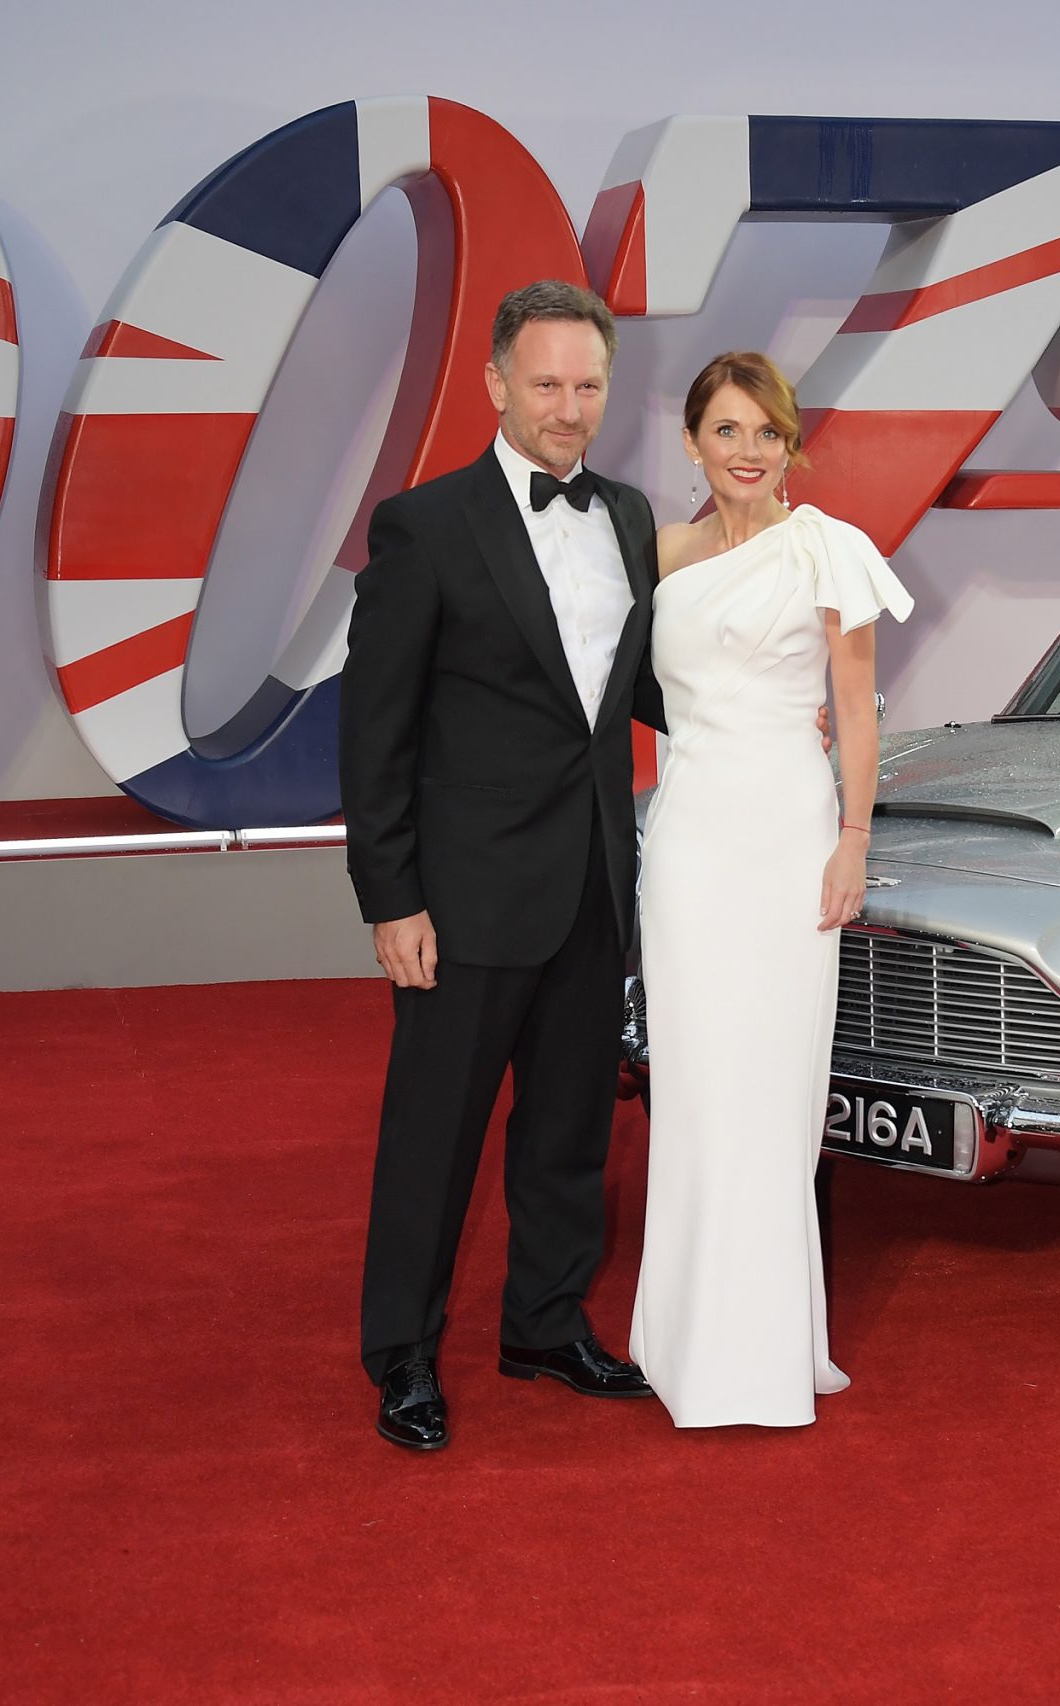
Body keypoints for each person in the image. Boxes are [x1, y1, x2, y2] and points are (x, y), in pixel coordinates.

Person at [339, 280, 662, 1451]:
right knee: (434, 1135)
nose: (568, 409)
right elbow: (373, 731)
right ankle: (403, 1356)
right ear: (496, 385)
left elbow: (636, 690)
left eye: (587, 386)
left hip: (591, 877)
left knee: (571, 1126)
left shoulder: (628, 516)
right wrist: (392, 896)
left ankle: (543, 1319)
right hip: (463, 895)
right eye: (546, 385)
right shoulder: (424, 525)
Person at [629, 351, 912, 1428]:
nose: (747, 452)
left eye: (766, 433)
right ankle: (682, 1340)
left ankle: (763, 1352)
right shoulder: (660, 553)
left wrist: (851, 839)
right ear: (694, 441)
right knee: (696, 1087)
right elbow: (641, 688)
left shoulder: (830, 552)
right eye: (726, 431)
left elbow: (857, 709)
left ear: (790, 445)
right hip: (692, 842)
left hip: (793, 839)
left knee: (773, 1091)